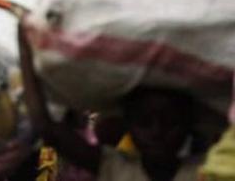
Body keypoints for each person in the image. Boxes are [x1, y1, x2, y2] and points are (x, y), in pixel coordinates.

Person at [20, 30, 205, 181]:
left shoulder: (207, 172)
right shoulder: (114, 167)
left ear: (189, 123)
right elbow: (45, 127)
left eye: (170, 123)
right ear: (128, 123)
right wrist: (26, 46)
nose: (157, 132)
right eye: (144, 123)